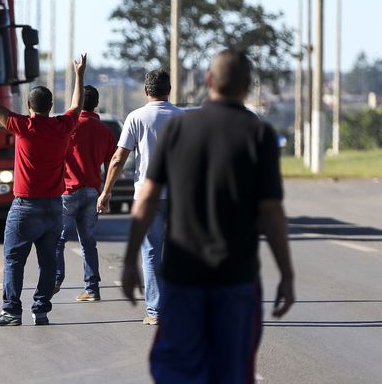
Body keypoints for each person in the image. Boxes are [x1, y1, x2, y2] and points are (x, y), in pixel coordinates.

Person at [123, 49, 295, 382]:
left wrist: (131, 260)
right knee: (232, 368)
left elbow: (145, 197)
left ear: (208, 80)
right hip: (237, 276)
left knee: (174, 365)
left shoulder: (179, 128)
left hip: (184, 278)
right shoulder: (259, 135)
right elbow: (271, 211)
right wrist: (287, 273)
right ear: (247, 85)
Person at [0, 53, 87, 327]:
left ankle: (12, 311)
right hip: (53, 206)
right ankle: (41, 310)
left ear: (28, 106)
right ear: (51, 106)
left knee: (14, 259)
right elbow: (76, 105)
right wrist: (79, 74)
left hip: (26, 207)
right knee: (48, 261)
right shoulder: (62, 126)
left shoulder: (24, 126)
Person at [97, 69, 182, 325]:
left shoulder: (136, 117)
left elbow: (118, 158)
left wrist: (106, 191)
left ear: (146, 91)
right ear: (169, 90)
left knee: (152, 252)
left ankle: (156, 312)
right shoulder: (183, 118)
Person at [54, 85, 115, 301]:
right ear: (96, 103)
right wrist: (106, 192)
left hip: (68, 191)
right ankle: (92, 289)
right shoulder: (105, 131)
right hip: (92, 191)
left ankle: (55, 280)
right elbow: (111, 164)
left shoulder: (68, 126)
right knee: (88, 242)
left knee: (58, 240)